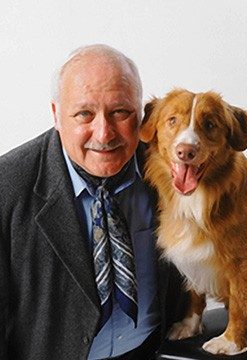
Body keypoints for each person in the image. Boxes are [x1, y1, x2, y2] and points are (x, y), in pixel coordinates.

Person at [0, 44, 188, 360]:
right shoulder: (8, 189)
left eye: (120, 112)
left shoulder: (172, 169)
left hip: (152, 351)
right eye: (84, 114)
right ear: (56, 115)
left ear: (141, 113)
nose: (103, 133)